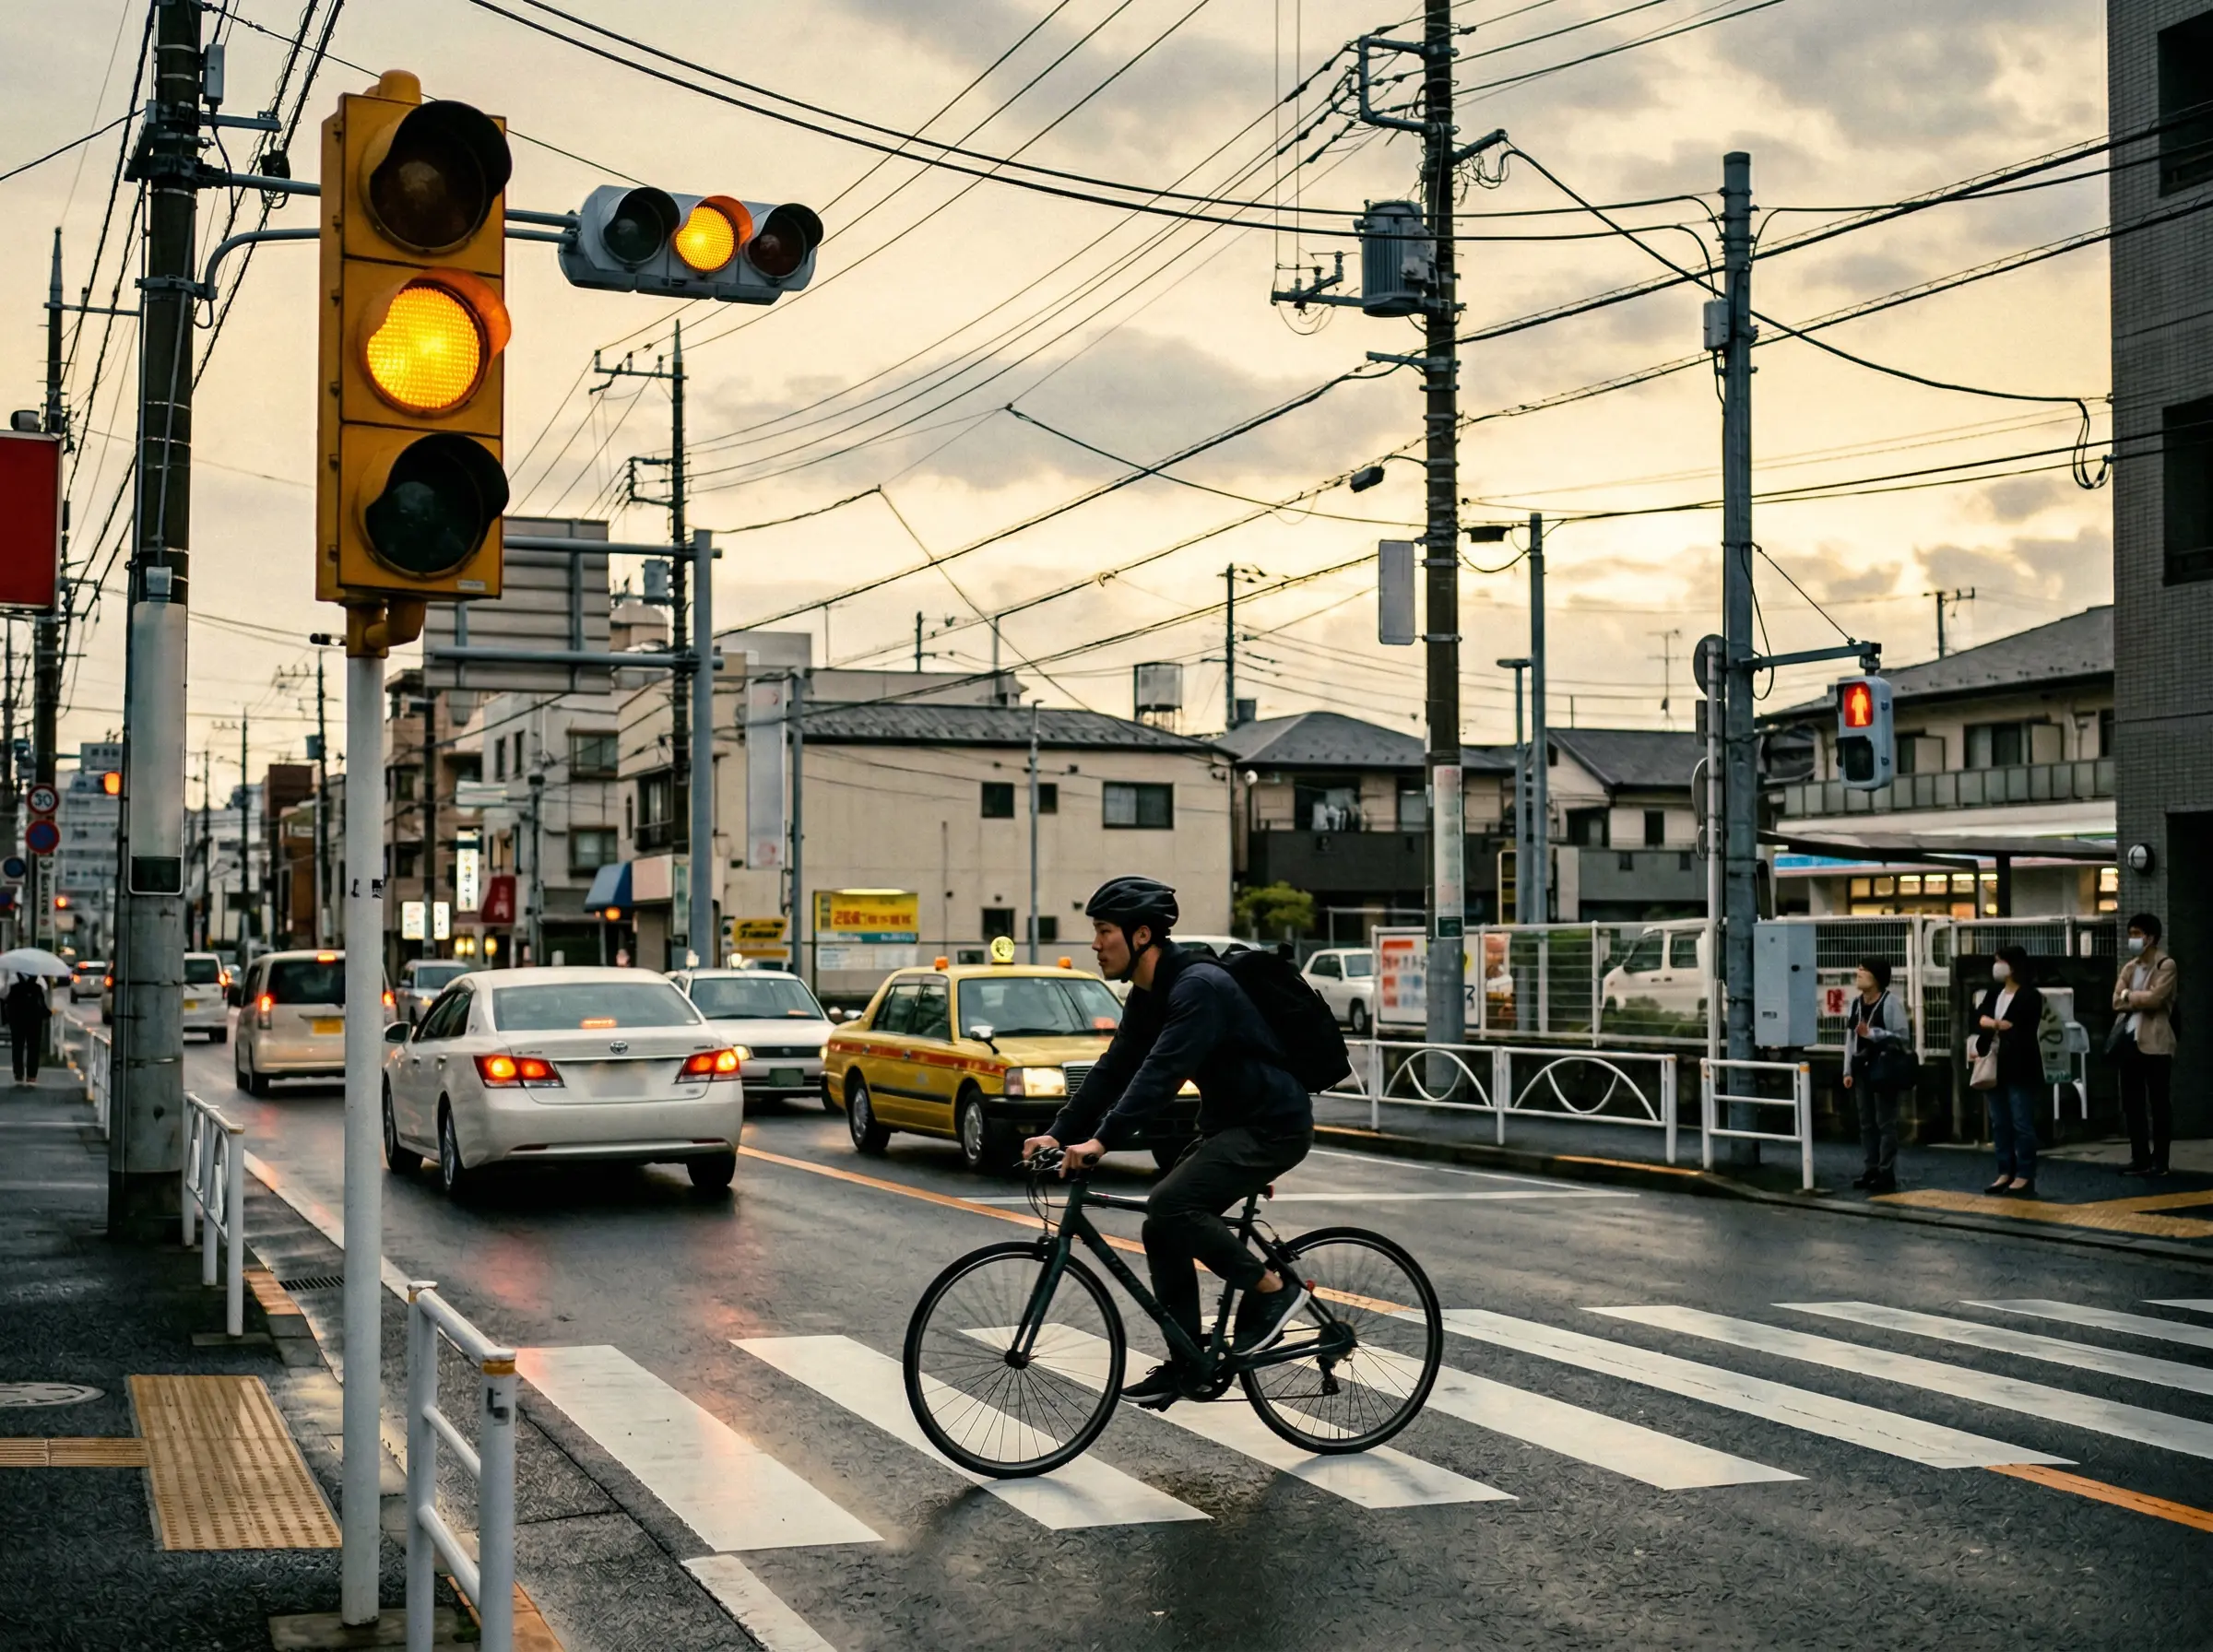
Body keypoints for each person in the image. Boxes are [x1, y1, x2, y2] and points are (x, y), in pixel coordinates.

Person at [1024, 876, 1315, 1408]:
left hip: (1273, 1124)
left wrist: (1102, 1141)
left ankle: (1275, 1290)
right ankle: (1188, 1361)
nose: (1094, 945)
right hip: (1231, 1124)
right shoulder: (1150, 994)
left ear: (1140, 936)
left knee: (1173, 1205)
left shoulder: (1197, 988)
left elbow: (1159, 1075)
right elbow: (1114, 1069)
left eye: (1103, 931)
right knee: (1161, 1226)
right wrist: (1060, 1131)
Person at [1969, 944, 2045, 1197]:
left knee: (2021, 1122)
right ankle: (2005, 1171)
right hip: (1994, 1065)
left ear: (2013, 965)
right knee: (1999, 1122)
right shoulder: (1994, 993)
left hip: (2020, 1066)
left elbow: (2020, 1029)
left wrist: (1992, 1024)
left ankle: (2024, 1175)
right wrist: (1998, 1024)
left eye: (1999, 961)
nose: (1996, 966)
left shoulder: (2029, 995)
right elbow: (1979, 1018)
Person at [2112, 912, 2179, 1178]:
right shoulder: (2130, 967)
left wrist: (2129, 995)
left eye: (2137, 934)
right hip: (2130, 1041)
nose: (2133, 940)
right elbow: (2115, 1001)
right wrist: (2133, 996)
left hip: (2156, 1042)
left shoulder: (2165, 965)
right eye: (2131, 934)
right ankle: (2139, 1157)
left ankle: (2160, 1161)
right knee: (2133, 1103)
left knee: (2159, 1102)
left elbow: (2156, 999)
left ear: (2151, 937)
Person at [1841, 957, 1911, 1193]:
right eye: (1858, 968)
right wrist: (1847, 1070)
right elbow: (1850, 1039)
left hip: (1885, 1070)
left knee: (1885, 1122)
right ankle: (1870, 1168)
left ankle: (1886, 1171)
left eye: (1864, 970)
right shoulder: (1855, 1004)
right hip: (1862, 1069)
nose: (1858, 973)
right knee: (1866, 1123)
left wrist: (1873, 1033)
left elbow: (1902, 1038)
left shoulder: (1890, 1003)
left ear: (1877, 977)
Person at [4, 972, 52, 1084]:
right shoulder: (39, 979)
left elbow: (4, 994)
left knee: (17, 1045)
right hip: (34, 1018)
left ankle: (18, 1074)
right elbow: (45, 995)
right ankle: (32, 1075)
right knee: (34, 1046)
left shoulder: (13, 978)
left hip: (17, 1017)